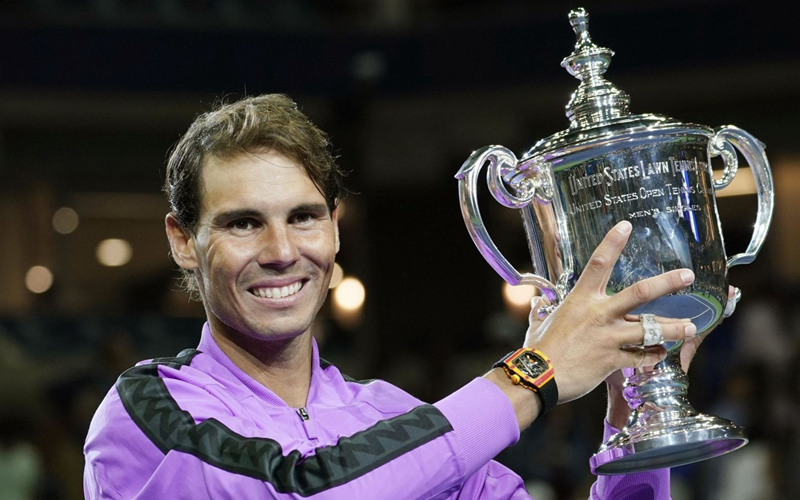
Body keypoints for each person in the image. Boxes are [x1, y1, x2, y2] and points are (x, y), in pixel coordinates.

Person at [83, 94, 708, 499]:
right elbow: (306, 489)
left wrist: (635, 422)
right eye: (243, 222)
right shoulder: (146, 414)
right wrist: (533, 373)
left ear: (334, 230)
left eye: (302, 217)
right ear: (183, 241)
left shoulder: (391, 416)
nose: (279, 250)